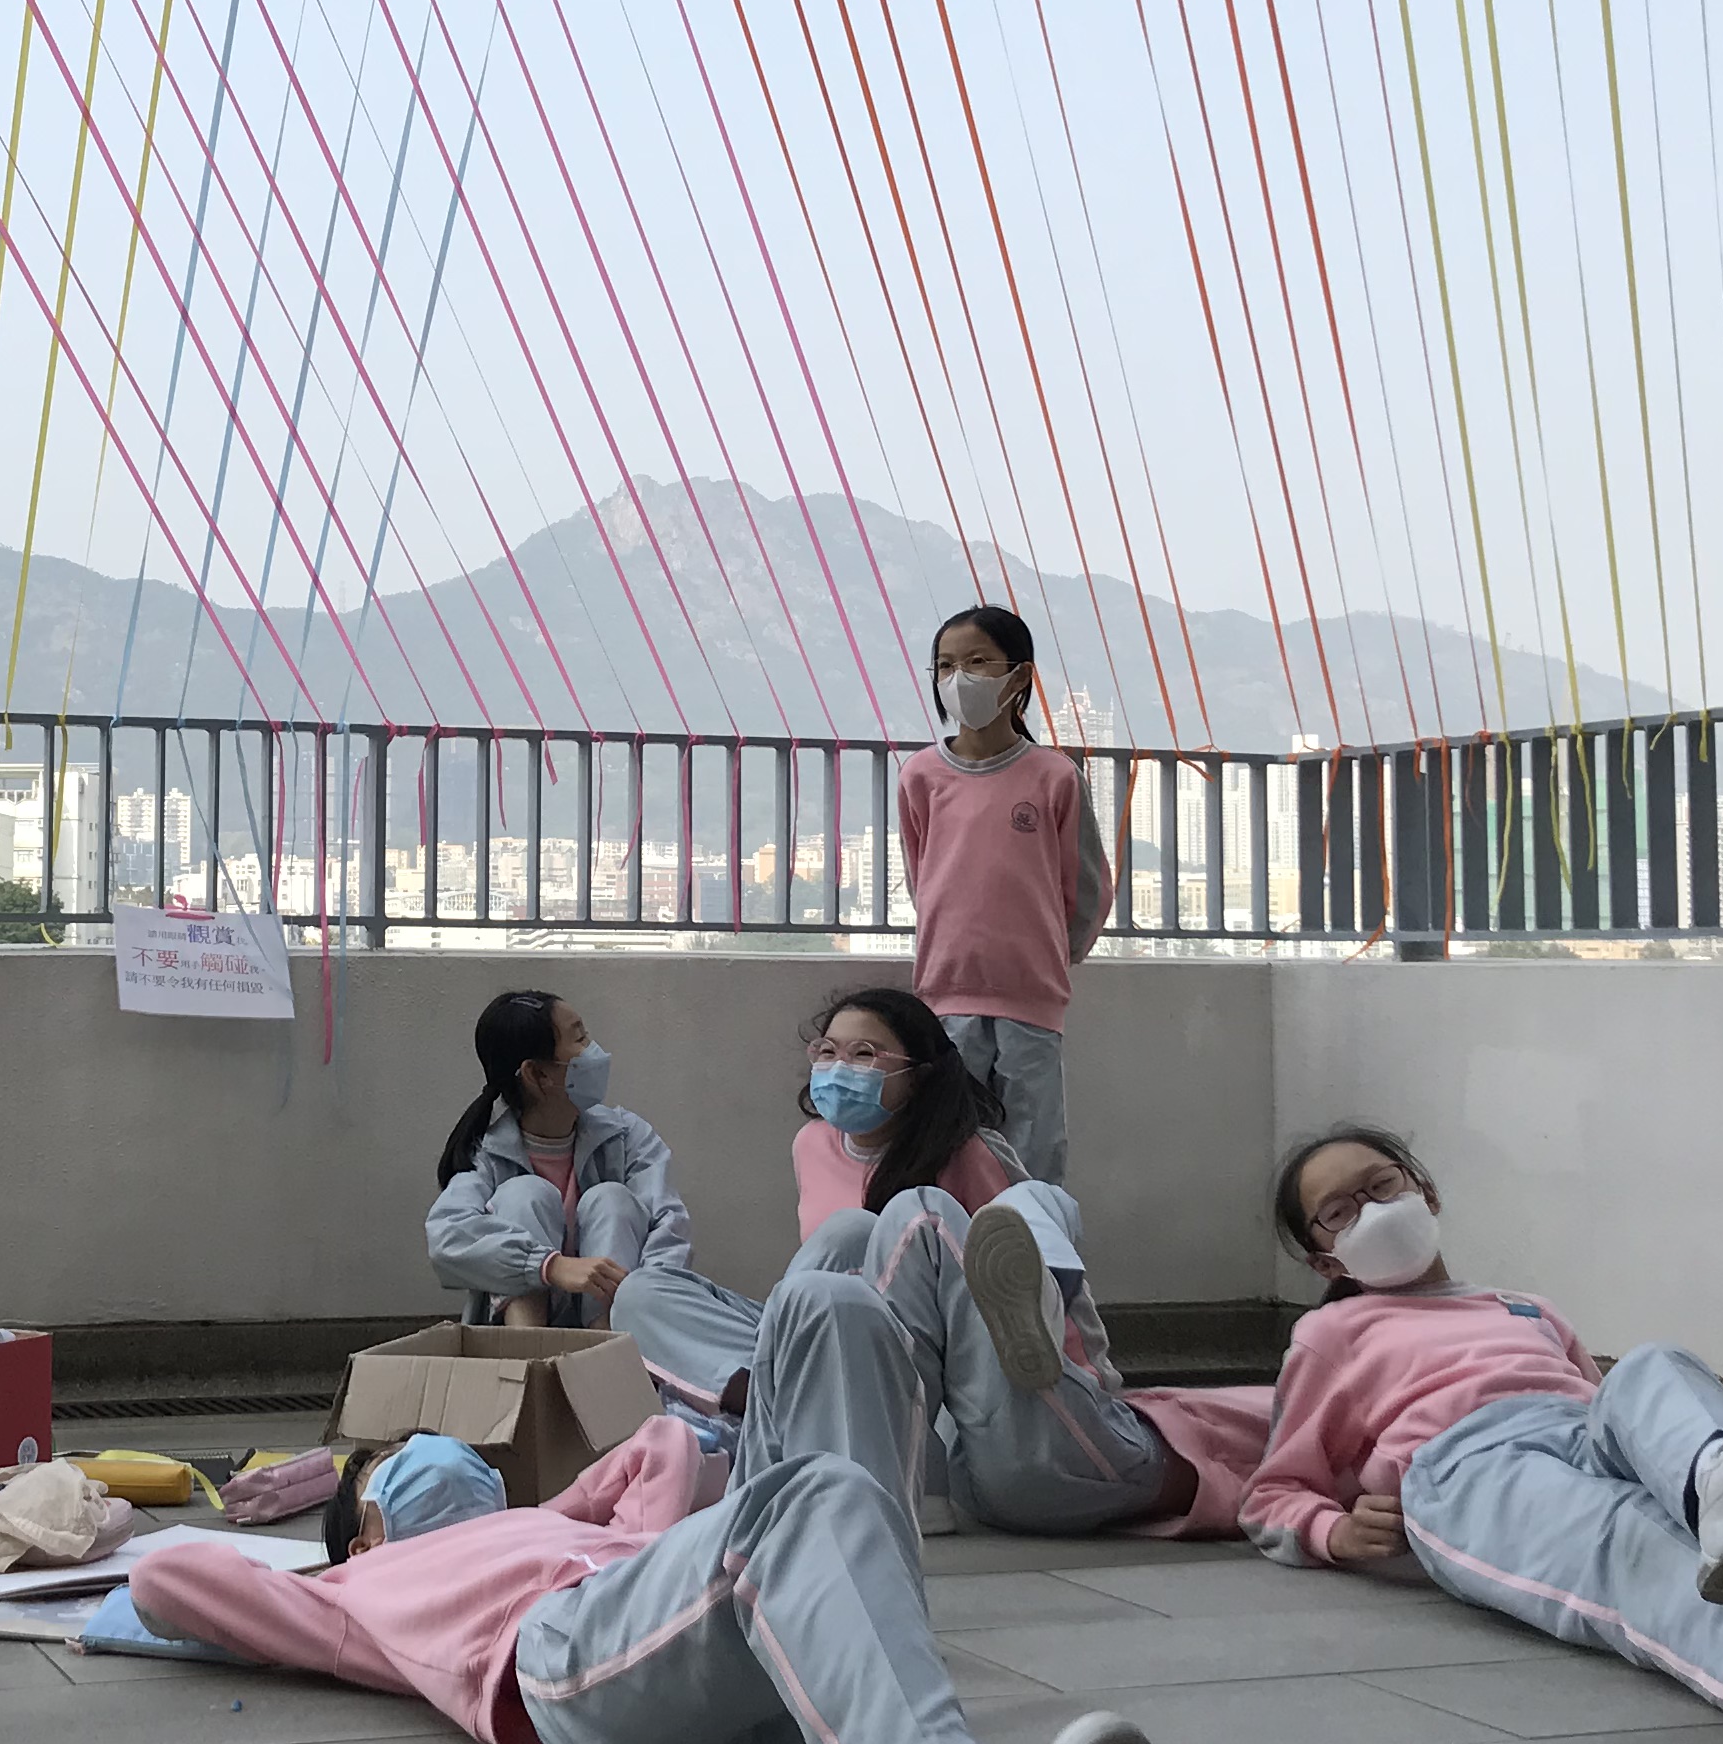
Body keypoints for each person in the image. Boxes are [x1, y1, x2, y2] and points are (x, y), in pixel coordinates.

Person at [134, 1269, 1163, 1744]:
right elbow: (164, 1573)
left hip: (715, 1625)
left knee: (835, 1305)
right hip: (572, 1667)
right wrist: (330, 1500)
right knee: (808, 1499)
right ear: (366, 1525)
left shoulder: (556, 1524)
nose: (437, 1453)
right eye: (402, 1459)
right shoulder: (357, 1591)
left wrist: (564, 1507)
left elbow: (663, 1443)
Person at [1243, 1124, 1723, 1744]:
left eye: (1381, 1185)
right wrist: (1335, 1533)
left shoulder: (1524, 1306)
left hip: (1572, 1423)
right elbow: (1273, 1491)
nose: (1371, 1209)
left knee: (1651, 1367)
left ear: (1425, 1190)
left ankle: (1719, 1489)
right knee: (1614, 1529)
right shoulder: (1333, 1334)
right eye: (1340, 1211)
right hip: (1465, 1463)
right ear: (1326, 1262)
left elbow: (1607, 1407)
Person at [611, 986, 1264, 1537]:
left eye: (865, 1054)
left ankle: (848, 1408)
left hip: (983, 1390)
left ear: (916, 1072)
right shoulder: (813, 1144)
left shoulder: (970, 1154)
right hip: (870, 1369)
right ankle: (795, 1386)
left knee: (929, 1213)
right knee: (648, 1289)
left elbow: (1014, 1313)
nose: (841, 1067)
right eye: (829, 1052)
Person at [896, 605, 1109, 1182]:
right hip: (947, 994)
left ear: (1018, 677)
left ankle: (1042, 1267)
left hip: (1031, 999)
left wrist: (1047, 957)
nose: (958, 678)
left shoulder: (1053, 776)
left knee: (1034, 1152)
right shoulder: (920, 776)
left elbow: (1085, 886)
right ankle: (957, 1262)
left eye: (976, 661)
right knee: (952, 1149)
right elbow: (924, 878)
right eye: (945, 665)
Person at [424, 991, 690, 1330]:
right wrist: (547, 1266)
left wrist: (642, 1294)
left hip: (620, 1336)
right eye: (579, 1039)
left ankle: (605, 1354)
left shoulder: (625, 1137)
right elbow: (447, 1238)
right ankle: (527, 1358)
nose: (594, 1051)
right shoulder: (487, 1155)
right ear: (538, 1075)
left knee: (611, 1199)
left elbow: (669, 1226)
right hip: (522, 1338)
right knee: (523, 1194)